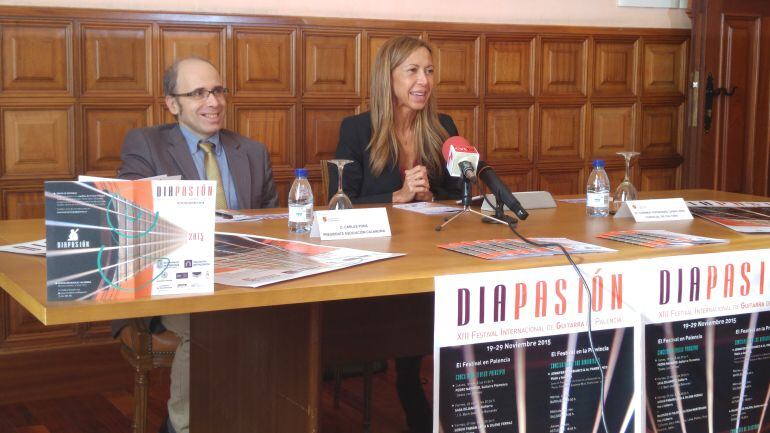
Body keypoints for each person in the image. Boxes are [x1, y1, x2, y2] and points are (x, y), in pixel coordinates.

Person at [115, 56, 278, 433]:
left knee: (289, 318)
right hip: (172, 280)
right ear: (173, 104)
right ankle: (183, 427)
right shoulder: (145, 143)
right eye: (198, 93)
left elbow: (272, 224)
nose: (214, 102)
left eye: (218, 91)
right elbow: (135, 221)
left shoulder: (251, 151)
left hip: (246, 275)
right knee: (210, 322)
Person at [328, 36, 462, 433]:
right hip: (378, 258)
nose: (424, 80)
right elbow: (342, 203)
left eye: (430, 70)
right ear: (387, 78)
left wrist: (432, 195)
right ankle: (408, 378)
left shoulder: (444, 127)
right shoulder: (356, 130)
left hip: (432, 251)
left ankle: (423, 378)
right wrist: (397, 196)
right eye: (413, 71)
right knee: (407, 313)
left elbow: (461, 196)